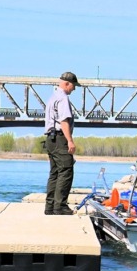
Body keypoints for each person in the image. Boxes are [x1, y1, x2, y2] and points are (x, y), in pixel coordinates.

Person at [43, 71, 79, 213]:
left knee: (55, 172)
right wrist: (70, 141)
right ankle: (60, 206)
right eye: (73, 86)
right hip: (59, 138)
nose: (74, 89)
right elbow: (64, 121)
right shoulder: (63, 99)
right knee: (66, 170)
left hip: (50, 139)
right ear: (66, 84)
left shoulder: (52, 98)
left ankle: (50, 206)